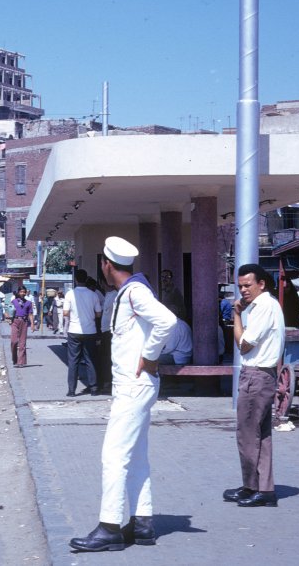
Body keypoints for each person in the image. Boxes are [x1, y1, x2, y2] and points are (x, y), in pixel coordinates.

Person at [69, 237, 176, 553]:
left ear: (106, 265)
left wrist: (151, 355)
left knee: (113, 456)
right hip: (136, 385)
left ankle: (110, 527)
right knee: (137, 456)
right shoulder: (130, 291)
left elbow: (166, 321)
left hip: (134, 385)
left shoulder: (135, 293)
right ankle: (142, 523)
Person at [223, 263, 286, 508]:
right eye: (240, 286)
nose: (243, 291)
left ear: (261, 284)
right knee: (261, 434)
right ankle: (261, 487)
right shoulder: (267, 306)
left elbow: (245, 344)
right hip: (263, 374)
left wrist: (236, 315)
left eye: (248, 285)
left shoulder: (263, 306)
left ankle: (253, 486)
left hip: (256, 375)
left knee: (248, 433)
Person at [63, 269, 100, 397]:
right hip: (90, 331)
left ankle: (72, 390)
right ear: (86, 279)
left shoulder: (69, 294)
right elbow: (98, 313)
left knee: (73, 360)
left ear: (76, 280)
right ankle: (94, 388)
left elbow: (65, 313)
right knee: (90, 360)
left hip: (74, 330)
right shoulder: (93, 295)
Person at [7, 288, 33, 368]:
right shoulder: (14, 301)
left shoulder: (29, 303)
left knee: (22, 343)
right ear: (18, 292)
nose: (22, 293)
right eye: (21, 292)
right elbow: (8, 310)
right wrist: (7, 318)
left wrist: (32, 324)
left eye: (24, 292)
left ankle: (21, 362)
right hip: (15, 321)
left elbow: (30, 314)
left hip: (24, 322)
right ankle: (15, 359)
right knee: (14, 342)